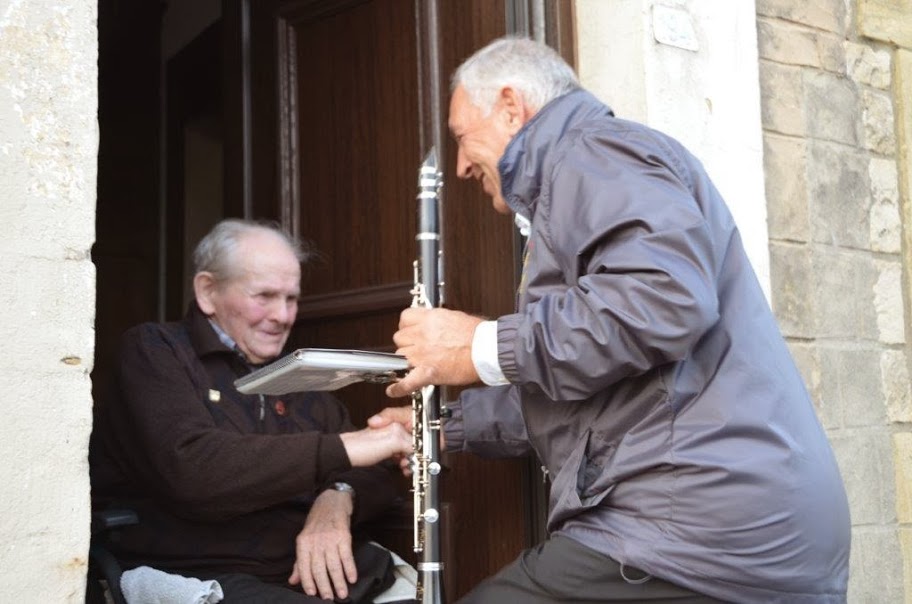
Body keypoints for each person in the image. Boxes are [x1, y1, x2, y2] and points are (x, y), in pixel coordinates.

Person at [374, 37, 850, 603]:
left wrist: (479, 344)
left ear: (510, 105)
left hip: (694, 528)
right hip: (735, 523)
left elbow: (662, 300)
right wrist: (442, 429)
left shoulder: (593, 151)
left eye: (460, 137)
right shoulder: (582, 170)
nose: (458, 166)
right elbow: (598, 382)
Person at [90, 218, 413, 603]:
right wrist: (343, 448)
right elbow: (193, 469)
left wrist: (337, 498)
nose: (283, 315)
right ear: (208, 292)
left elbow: (375, 471)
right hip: (205, 573)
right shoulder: (155, 351)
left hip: (303, 574)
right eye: (264, 296)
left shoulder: (297, 372)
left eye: (291, 298)